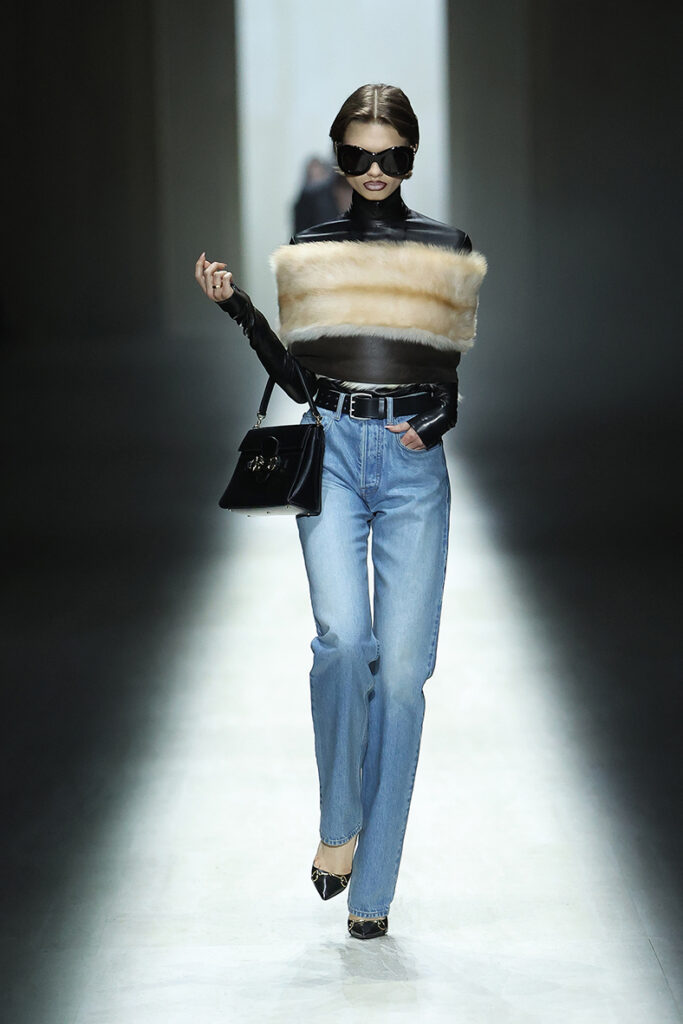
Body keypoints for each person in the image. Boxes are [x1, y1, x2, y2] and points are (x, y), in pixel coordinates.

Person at [194, 83, 486, 940]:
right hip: (332, 450)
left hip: (411, 465)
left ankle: (372, 890)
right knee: (342, 642)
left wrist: (433, 425)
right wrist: (242, 310)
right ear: (339, 155)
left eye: (389, 155)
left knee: (400, 679)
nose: (373, 169)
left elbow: (447, 382)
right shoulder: (311, 250)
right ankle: (339, 821)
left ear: (410, 156)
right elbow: (297, 376)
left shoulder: (446, 248)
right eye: (357, 154)